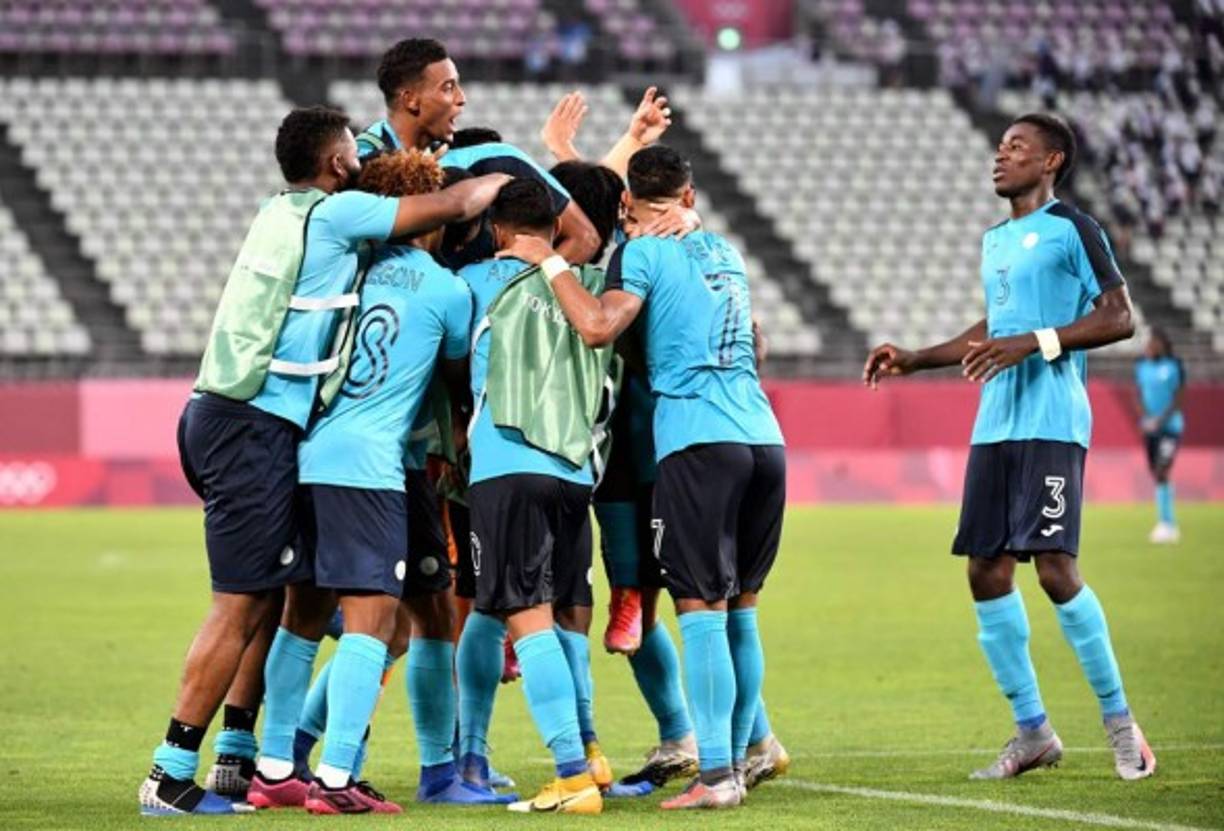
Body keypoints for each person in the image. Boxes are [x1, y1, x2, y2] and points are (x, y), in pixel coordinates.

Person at [138, 107, 508, 816]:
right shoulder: (341, 219)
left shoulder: (283, 214)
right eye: (349, 154)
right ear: (338, 165)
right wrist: (511, 180)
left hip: (272, 431)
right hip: (263, 426)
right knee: (248, 601)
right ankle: (173, 771)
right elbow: (456, 203)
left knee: (279, 600)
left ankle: (244, 762)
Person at [862, 113, 1156, 781]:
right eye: (999, 147)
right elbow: (995, 326)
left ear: (1051, 161)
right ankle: (1032, 732)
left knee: (1054, 567)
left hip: (1052, 421)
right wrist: (917, 356)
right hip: (995, 425)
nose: (1001, 156)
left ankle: (1121, 725)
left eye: (1016, 147)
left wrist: (1036, 342)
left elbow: (1119, 316)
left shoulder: (1075, 228)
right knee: (986, 571)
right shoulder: (995, 239)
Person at [496, 145, 787, 810]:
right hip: (763, 438)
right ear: (687, 197)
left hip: (696, 440)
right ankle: (744, 755)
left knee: (700, 610)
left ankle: (715, 774)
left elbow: (600, 327)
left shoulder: (640, 256)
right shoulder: (723, 249)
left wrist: (548, 259)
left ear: (629, 207)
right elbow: (756, 342)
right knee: (741, 608)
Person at [458, 178, 610, 815]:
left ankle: (570, 774)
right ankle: (593, 753)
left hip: (507, 464)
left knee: (524, 615)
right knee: (566, 612)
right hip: (575, 471)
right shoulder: (588, 285)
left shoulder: (474, 283)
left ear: (497, 231)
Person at [355, 37, 599, 266]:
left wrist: (514, 299)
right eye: (448, 87)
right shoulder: (358, 161)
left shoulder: (495, 160)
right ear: (411, 99)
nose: (462, 98)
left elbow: (585, 238)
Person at [1134, 327, 1185, 544]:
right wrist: (1146, 418)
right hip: (1151, 428)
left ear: (1161, 344)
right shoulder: (1141, 366)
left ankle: (1168, 523)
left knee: (1163, 470)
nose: (1148, 347)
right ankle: (1165, 522)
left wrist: (1159, 420)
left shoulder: (1174, 366)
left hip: (1169, 427)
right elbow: (1138, 394)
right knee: (1157, 472)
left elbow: (1178, 398)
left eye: (1151, 343)